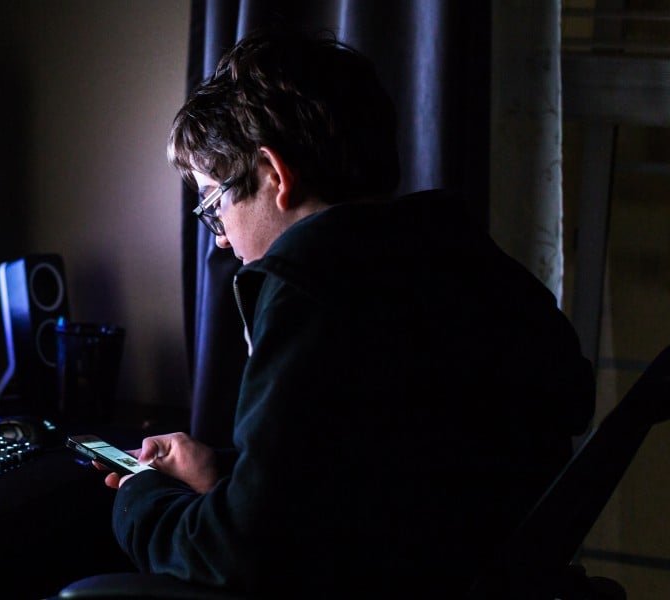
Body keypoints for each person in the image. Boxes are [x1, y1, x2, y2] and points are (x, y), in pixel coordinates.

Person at [99, 22, 595, 597]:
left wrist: (140, 498)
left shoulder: (311, 288)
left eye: (214, 206)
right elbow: (377, 477)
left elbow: (237, 554)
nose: (221, 241)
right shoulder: (456, 257)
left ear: (274, 175)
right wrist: (226, 476)